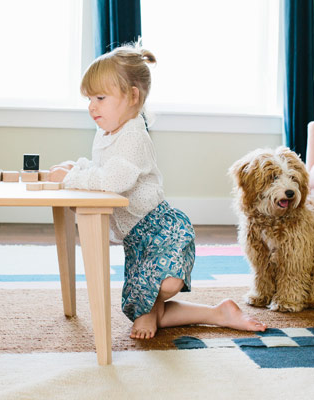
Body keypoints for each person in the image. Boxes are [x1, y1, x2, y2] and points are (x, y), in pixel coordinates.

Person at [49, 42, 266, 339]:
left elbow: (114, 179)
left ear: (133, 96)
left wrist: (72, 176)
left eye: (100, 97)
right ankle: (218, 313)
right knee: (146, 310)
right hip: (136, 239)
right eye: (89, 99)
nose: (92, 106)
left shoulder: (134, 135)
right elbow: (104, 169)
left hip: (160, 228)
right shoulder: (106, 133)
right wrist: (79, 166)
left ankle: (154, 309)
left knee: (164, 286)